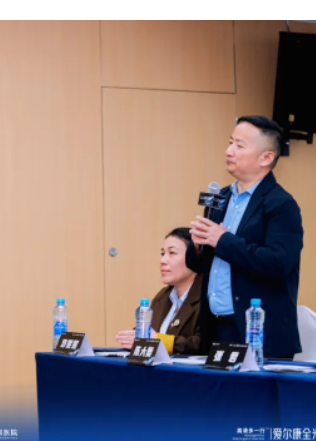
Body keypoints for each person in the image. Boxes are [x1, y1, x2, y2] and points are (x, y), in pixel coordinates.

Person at [186, 115, 303, 359]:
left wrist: (223, 240)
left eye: (240, 146)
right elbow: (203, 265)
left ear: (266, 158)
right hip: (214, 326)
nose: (229, 151)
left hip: (257, 332)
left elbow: (278, 263)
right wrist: (197, 247)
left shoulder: (281, 204)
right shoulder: (221, 197)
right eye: (230, 142)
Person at [116, 227, 202, 355]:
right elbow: (148, 335)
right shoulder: (163, 296)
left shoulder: (208, 297)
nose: (162, 261)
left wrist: (159, 341)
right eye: (163, 254)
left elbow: (202, 345)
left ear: (194, 258)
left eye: (172, 253)